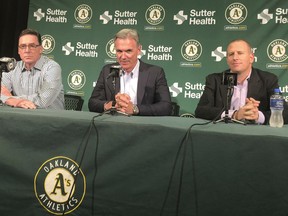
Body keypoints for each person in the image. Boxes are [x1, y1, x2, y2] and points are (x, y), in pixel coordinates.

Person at [195, 39, 288, 124]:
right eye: (231, 54)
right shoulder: (215, 80)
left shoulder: (268, 80)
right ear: (227, 60)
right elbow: (201, 111)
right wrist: (235, 114)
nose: (235, 57)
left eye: (240, 53)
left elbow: (285, 112)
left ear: (251, 58)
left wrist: (258, 115)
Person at [88, 28, 172, 116]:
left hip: (142, 126)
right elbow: (93, 103)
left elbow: (166, 107)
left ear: (139, 50)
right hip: (113, 125)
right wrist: (111, 105)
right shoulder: (108, 70)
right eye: (119, 51)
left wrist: (135, 109)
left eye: (128, 51)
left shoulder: (155, 73)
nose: (123, 57)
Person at [0, 28, 64, 109]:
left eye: (32, 46)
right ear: (18, 50)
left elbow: (43, 101)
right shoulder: (13, 68)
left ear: (41, 49)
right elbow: (1, 93)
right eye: (23, 46)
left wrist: (14, 101)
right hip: (20, 118)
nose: (27, 50)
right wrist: (13, 100)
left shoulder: (52, 68)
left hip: (50, 119)